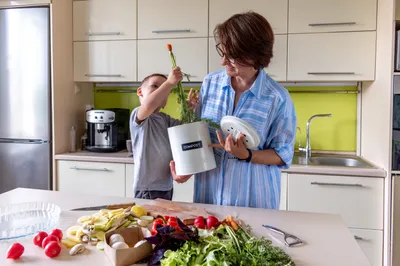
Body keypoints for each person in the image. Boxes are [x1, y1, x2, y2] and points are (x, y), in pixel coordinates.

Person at [171, 11, 297, 209]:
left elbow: (283, 154)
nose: (223, 62)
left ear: (255, 55)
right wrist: (186, 168)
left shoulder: (277, 98)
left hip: (254, 201)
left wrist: (247, 155)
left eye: (232, 56)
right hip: (208, 198)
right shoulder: (210, 83)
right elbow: (202, 138)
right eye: (223, 53)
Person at [130, 67, 198, 200]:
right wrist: (169, 83)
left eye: (164, 92)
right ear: (140, 92)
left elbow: (182, 131)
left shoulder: (165, 119)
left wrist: (189, 110)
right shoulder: (138, 115)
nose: (160, 92)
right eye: (155, 86)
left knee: (162, 220)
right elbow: (149, 105)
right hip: (147, 188)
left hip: (166, 186)